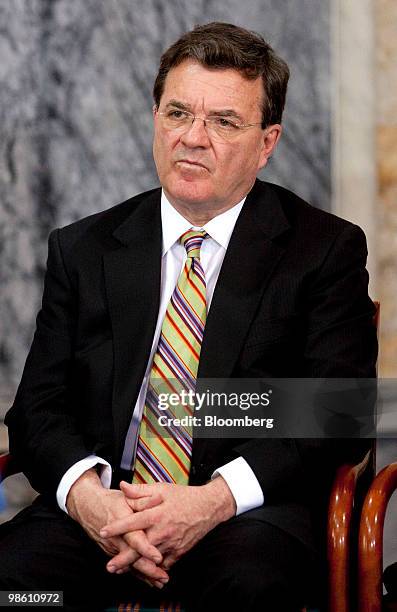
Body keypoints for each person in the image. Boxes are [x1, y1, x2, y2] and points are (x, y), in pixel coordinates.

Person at [0, 22, 377, 612]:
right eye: (178, 113)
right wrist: (91, 501)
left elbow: (338, 410)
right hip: (103, 514)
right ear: (155, 119)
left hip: (244, 514)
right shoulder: (85, 249)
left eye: (223, 122)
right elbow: (38, 410)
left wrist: (212, 501)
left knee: (251, 589)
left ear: (267, 141)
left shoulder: (322, 251)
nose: (193, 139)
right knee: (20, 592)